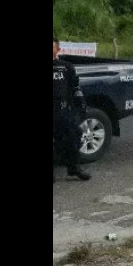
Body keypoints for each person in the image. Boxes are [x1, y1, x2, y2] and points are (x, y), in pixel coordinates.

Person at [53, 36, 91, 182]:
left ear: (58, 49)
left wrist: (80, 102)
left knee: (73, 137)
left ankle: (74, 168)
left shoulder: (66, 66)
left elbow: (75, 86)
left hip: (63, 109)